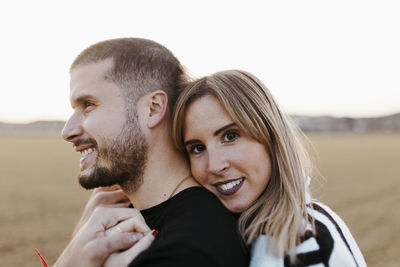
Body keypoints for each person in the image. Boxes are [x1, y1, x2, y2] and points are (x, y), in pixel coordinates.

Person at [55, 38, 249, 267]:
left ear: (153, 109)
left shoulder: (187, 251)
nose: (67, 131)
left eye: (88, 104)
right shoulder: (108, 220)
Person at [171, 70, 367, 266]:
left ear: (270, 136)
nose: (214, 166)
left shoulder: (307, 240)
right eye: (197, 148)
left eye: (230, 136)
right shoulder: (224, 234)